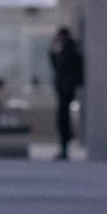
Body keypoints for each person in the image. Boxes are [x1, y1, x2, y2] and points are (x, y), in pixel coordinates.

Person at [47, 26, 83, 160]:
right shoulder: (65, 50)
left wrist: (69, 85)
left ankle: (65, 146)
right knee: (62, 120)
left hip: (66, 90)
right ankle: (64, 147)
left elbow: (68, 70)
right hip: (64, 89)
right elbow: (56, 67)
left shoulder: (69, 50)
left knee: (63, 120)